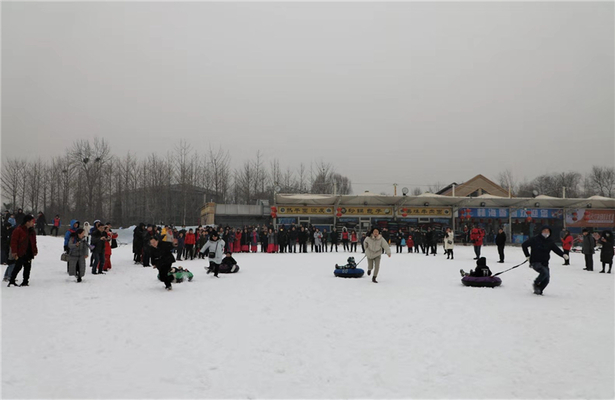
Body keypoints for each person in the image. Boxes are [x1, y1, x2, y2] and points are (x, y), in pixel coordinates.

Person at [522, 226, 568, 295]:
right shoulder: (535, 239)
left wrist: (563, 255)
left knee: (547, 279)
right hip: (535, 261)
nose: (546, 232)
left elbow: (556, 249)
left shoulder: (550, 241)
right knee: (544, 272)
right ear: (541, 231)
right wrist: (527, 256)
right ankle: (536, 283)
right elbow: (524, 245)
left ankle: (539, 290)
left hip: (545, 262)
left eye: (548, 231)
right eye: (544, 231)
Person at [8, 215, 38, 287]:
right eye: (31, 222)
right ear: (27, 222)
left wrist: (34, 249)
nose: (33, 223)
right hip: (21, 252)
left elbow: (34, 241)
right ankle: (12, 280)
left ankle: (25, 281)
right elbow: (14, 242)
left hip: (29, 251)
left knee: (27, 267)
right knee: (18, 266)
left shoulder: (32, 231)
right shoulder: (18, 230)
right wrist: (14, 252)